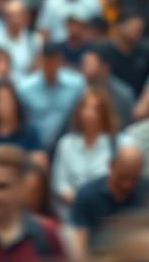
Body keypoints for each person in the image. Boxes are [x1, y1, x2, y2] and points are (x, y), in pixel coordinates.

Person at [50, 88, 117, 221]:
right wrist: (80, 202)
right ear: (79, 112)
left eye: (96, 110)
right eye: (86, 108)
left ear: (103, 115)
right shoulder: (66, 144)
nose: (90, 114)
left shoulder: (114, 145)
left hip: (102, 213)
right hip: (70, 211)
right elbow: (59, 184)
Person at [70, 142, 146, 253]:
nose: (127, 184)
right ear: (111, 166)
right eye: (123, 177)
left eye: (134, 179)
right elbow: (79, 243)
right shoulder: (88, 194)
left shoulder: (146, 193)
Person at [16, 42, 85, 150]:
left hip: (68, 144)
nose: (51, 65)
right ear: (41, 60)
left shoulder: (76, 85)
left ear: (60, 60)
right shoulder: (24, 88)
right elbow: (20, 120)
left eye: (54, 61)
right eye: (47, 61)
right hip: (35, 144)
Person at [0, 81, 44, 158]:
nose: (4, 105)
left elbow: (40, 161)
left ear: (16, 103)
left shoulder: (30, 132)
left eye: (8, 100)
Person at [80, 42, 135, 130]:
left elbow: (127, 128)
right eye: (84, 64)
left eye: (89, 65)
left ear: (105, 67)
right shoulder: (76, 90)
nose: (84, 69)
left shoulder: (123, 95)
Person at [0, 0, 39, 79]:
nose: (14, 19)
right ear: (5, 18)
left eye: (18, 15)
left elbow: (37, 67)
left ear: (24, 17)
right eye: (10, 16)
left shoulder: (33, 39)